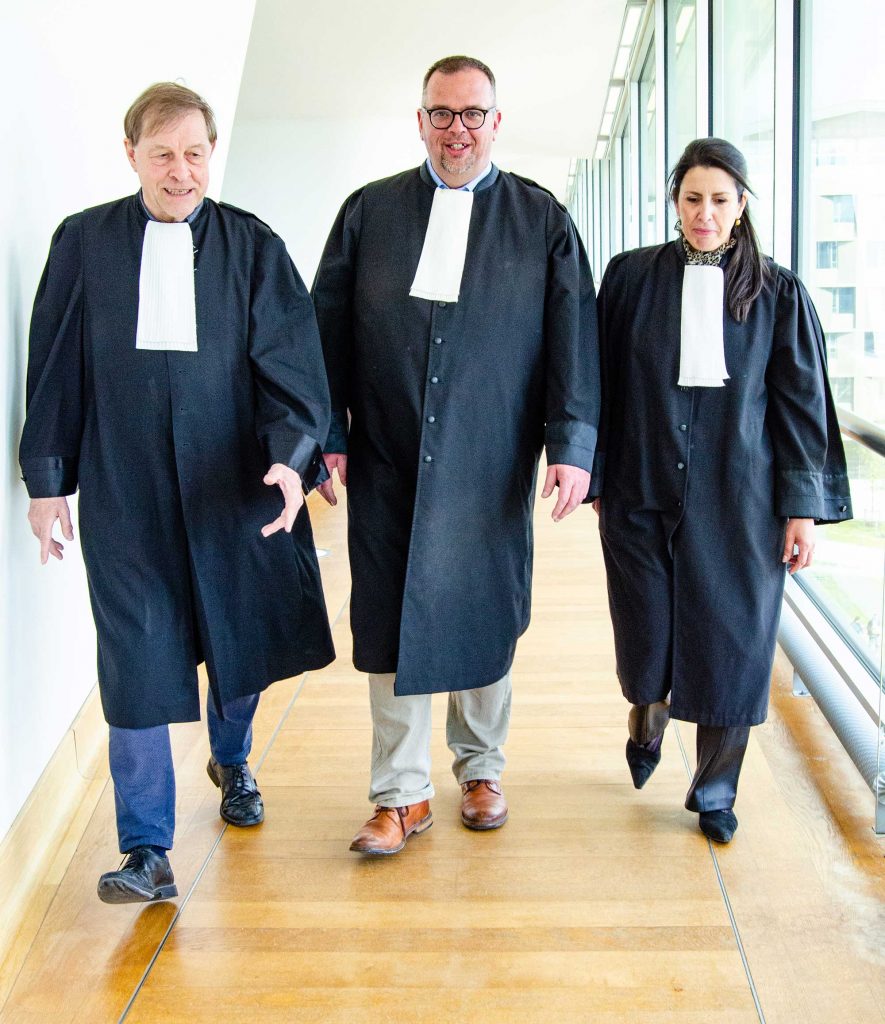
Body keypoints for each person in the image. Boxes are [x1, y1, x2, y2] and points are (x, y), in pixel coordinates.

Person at [20, 82, 335, 902]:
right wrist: (47, 482)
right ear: (131, 155)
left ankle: (232, 760)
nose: (181, 170)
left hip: (232, 484)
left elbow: (295, 372)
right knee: (135, 658)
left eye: (195, 153)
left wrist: (290, 459)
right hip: (125, 490)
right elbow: (53, 372)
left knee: (237, 643)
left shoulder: (253, 247)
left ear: (210, 155)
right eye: (162, 154)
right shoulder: (84, 243)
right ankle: (147, 849)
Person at [312, 55, 599, 855]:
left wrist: (572, 447)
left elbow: (573, 344)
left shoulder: (541, 221)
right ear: (420, 120)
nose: (457, 130)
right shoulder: (370, 212)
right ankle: (399, 794)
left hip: (489, 452)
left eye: (473, 114)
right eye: (441, 113)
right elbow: (322, 332)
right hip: (386, 451)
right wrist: (325, 439)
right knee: (387, 615)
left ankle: (480, 768)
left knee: (484, 606)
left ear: (496, 123)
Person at [592, 137, 852, 844]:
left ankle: (714, 790)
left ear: (740, 206)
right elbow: (599, 381)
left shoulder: (776, 291)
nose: (703, 213)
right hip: (639, 484)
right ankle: (645, 712)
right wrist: (591, 466)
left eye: (718, 200)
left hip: (741, 496)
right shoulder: (628, 280)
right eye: (691, 198)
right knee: (645, 635)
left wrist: (800, 506)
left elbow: (801, 404)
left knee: (731, 641)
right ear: (674, 202)